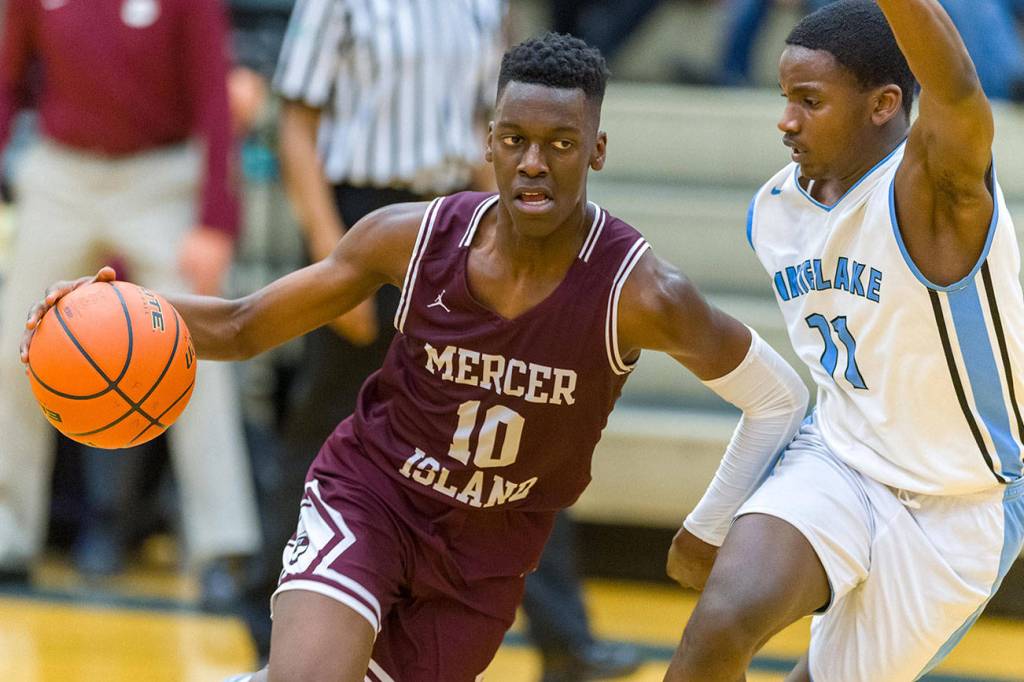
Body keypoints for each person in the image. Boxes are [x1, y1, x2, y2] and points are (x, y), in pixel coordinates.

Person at [22, 33, 809, 681]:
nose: (534, 162)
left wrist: (711, 527)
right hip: (373, 500)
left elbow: (778, 398)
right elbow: (241, 324)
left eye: (560, 144)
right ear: (489, 145)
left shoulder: (640, 291)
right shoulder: (412, 236)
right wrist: (113, 305)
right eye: (516, 141)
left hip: (484, 557)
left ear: (595, 149)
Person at [664, 1, 1024, 680]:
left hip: (960, 503)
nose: (785, 119)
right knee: (719, 624)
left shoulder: (936, 194)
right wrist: (717, 515)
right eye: (784, 97)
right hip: (841, 460)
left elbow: (958, 93)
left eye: (810, 100)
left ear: (884, 104)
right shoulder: (774, 211)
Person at [0, 0, 260, 584]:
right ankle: (7, 531)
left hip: (161, 179)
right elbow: (6, 81)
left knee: (197, 346)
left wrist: (216, 221)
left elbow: (216, 98)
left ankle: (221, 543)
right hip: (61, 173)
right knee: (13, 342)